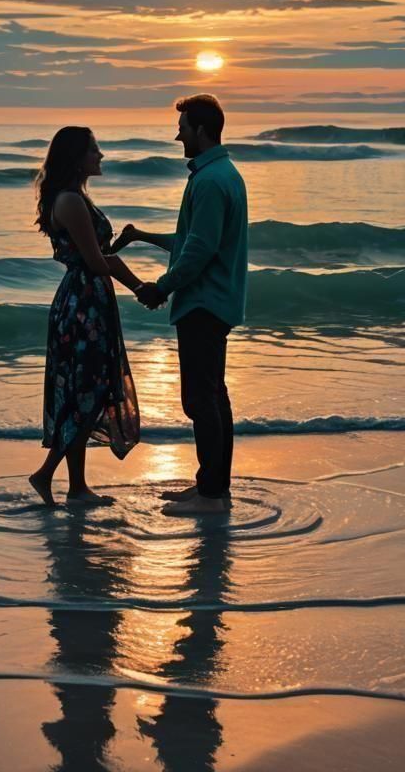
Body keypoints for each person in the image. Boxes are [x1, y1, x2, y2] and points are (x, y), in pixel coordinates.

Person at [113, 95, 248, 516]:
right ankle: (211, 488)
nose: (178, 135)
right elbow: (191, 241)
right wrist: (142, 237)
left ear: (202, 131)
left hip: (203, 303)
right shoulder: (223, 175)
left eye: (184, 127)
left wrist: (162, 287)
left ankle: (211, 496)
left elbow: (200, 250)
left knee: (200, 400)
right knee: (213, 396)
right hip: (215, 299)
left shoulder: (209, 182)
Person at [29, 126, 145, 507]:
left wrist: (123, 242)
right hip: (83, 305)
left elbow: (94, 251)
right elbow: (96, 261)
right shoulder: (71, 201)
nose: (101, 155)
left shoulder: (75, 198)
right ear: (77, 156)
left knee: (85, 391)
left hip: (87, 299)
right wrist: (141, 287)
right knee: (88, 392)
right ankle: (46, 474)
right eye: (94, 149)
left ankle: (77, 488)